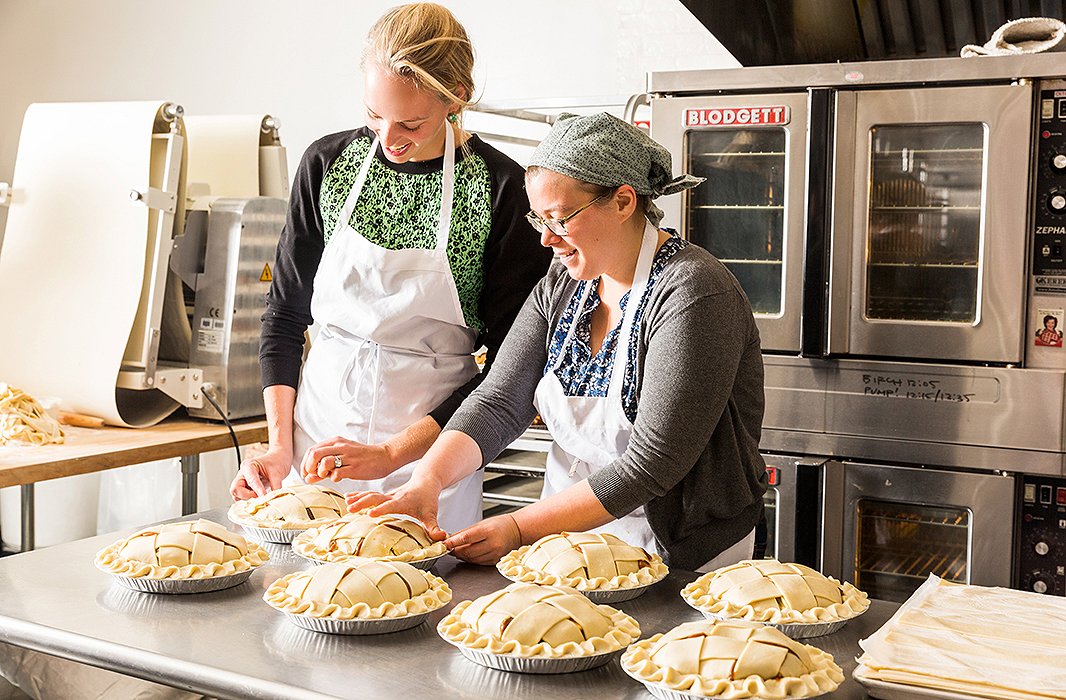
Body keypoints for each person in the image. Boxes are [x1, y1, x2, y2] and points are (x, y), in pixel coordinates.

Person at [348, 112, 768, 571]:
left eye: (560, 218)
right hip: (566, 542)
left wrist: (518, 528)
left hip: (678, 553)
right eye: (538, 219)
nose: (547, 239)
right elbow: (499, 402)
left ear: (623, 201)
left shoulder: (693, 293)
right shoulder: (563, 283)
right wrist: (425, 482)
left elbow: (652, 463)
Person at [229, 3, 552, 534]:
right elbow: (285, 315)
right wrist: (279, 445)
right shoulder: (327, 164)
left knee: (418, 595)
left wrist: (391, 454)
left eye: (411, 122)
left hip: (430, 453)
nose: (387, 138)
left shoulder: (503, 189)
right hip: (316, 437)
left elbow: (506, 369)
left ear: (457, 99)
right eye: (374, 116)